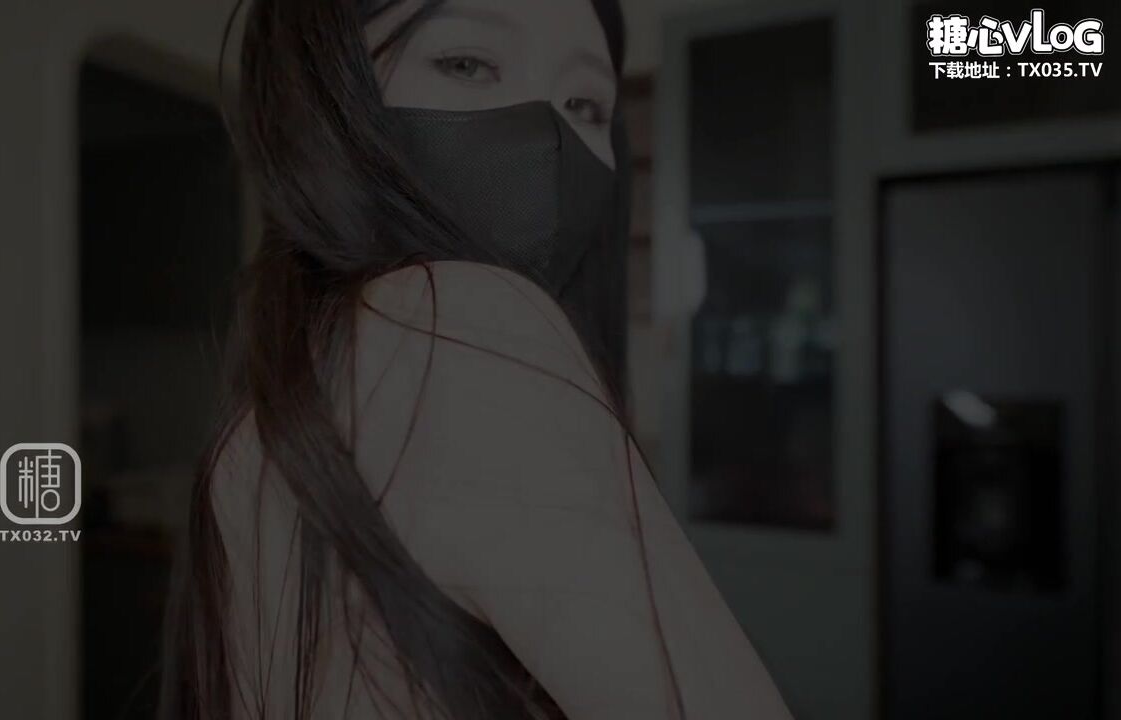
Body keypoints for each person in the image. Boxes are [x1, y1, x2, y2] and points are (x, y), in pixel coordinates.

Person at [159, 0, 793, 718]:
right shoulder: (448, 320)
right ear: (321, 94)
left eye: (585, 104)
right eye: (466, 63)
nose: (546, 135)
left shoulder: (273, 410)